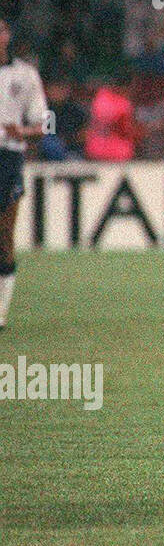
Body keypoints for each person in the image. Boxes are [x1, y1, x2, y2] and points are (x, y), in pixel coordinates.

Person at [0, 19, 49, 331]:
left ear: (7, 35)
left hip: (8, 156)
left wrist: (23, 131)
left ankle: (1, 312)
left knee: (4, 236)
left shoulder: (26, 75)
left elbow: (44, 124)